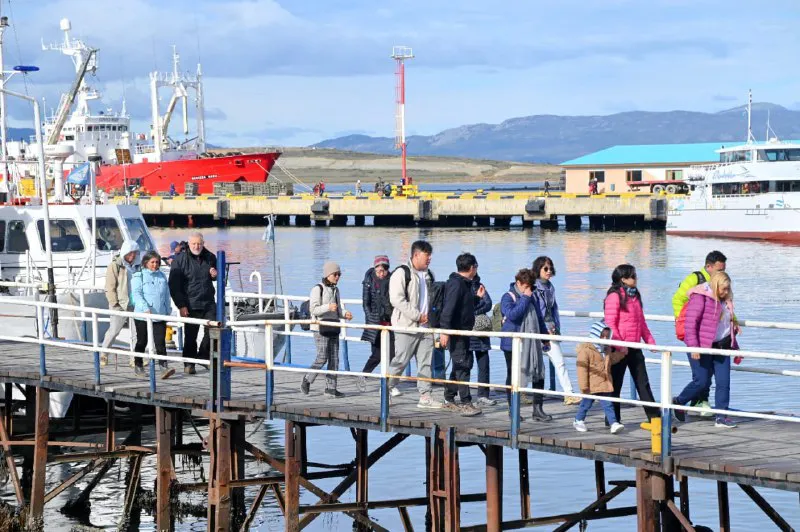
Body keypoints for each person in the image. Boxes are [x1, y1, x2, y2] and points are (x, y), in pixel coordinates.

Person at [673, 272, 739, 428]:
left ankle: (721, 417)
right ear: (715, 286)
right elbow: (690, 324)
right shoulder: (699, 298)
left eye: (727, 289)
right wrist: (694, 347)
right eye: (723, 289)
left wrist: (734, 327)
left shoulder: (726, 300)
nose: (725, 292)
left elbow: (725, 319)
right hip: (702, 345)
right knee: (702, 381)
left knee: (724, 382)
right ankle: (679, 401)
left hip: (722, 345)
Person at [671, 250, 728, 416]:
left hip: (713, 335)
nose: (722, 272)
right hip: (696, 332)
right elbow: (678, 299)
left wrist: (734, 321)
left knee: (708, 373)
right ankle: (690, 400)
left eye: (723, 269)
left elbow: (726, 305)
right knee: (702, 375)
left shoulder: (722, 283)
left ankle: (701, 401)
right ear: (708, 267)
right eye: (719, 270)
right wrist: (681, 320)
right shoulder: (695, 279)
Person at [387, 240, 442, 409]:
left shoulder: (429, 274)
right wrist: (417, 316)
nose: (430, 259)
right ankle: (387, 387)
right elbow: (396, 299)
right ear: (416, 255)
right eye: (427, 255)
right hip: (406, 325)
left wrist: (433, 321)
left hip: (426, 327)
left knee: (425, 363)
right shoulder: (402, 272)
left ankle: (425, 396)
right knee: (401, 360)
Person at [604, 264, 659, 424]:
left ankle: (655, 419)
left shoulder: (635, 296)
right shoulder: (614, 296)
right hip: (619, 349)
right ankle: (613, 420)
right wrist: (621, 346)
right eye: (633, 276)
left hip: (634, 348)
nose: (636, 278)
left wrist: (650, 342)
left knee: (643, 383)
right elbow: (611, 323)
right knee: (616, 385)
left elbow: (641, 323)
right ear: (623, 279)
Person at [500, 269, 551, 421]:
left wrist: (544, 337)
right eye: (526, 286)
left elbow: (539, 318)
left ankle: (538, 409)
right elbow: (514, 315)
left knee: (538, 373)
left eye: (531, 287)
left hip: (531, 343)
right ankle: (513, 409)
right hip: (513, 344)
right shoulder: (507, 297)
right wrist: (525, 298)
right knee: (513, 375)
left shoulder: (531, 297)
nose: (529, 290)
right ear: (518, 283)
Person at [531, 256, 580, 405]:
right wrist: (542, 329)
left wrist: (557, 327)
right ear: (538, 269)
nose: (549, 271)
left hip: (551, 328)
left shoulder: (550, 287)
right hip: (536, 329)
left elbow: (554, 309)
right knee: (530, 363)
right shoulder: (533, 287)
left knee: (559, 361)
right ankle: (519, 392)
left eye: (551, 268)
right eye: (545, 268)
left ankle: (568, 393)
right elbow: (534, 310)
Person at [301, 261, 353, 397]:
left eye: (339, 274)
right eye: (335, 274)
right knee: (322, 356)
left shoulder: (336, 290)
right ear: (328, 274)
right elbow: (314, 309)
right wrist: (328, 307)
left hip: (333, 326)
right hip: (319, 327)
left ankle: (331, 388)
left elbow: (338, 310)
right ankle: (307, 379)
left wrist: (345, 314)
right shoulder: (318, 289)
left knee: (334, 358)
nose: (337, 277)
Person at [440, 253, 483, 417]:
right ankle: (466, 402)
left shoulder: (464, 284)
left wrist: (476, 298)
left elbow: (464, 306)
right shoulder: (456, 284)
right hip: (455, 333)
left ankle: (449, 398)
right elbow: (448, 310)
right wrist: (445, 331)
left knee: (460, 365)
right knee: (463, 366)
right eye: (476, 267)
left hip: (463, 332)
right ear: (472, 267)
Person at [168, 232, 218, 374]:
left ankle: (203, 355)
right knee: (191, 335)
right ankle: (189, 363)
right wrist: (181, 305)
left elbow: (215, 276)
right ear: (188, 244)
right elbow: (174, 286)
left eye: (199, 243)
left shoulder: (210, 257)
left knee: (213, 330)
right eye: (194, 243)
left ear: (203, 243)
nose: (197, 246)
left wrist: (214, 274)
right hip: (190, 303)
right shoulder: (180, 260)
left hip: (208, 301)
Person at [574, 321, 626, 434]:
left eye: (607, 336)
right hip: (591, 384)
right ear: (595, 335)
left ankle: (613, 423)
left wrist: (622, 353)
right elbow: (581, 369)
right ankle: (578, 420)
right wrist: (583, 386)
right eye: (602, 336)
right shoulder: (586, 351)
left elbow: (612, 359)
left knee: (608, 404)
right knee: (586, 404)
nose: (605, 338)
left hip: (603, 383)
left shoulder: (606, 350)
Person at [131, 251, 174, 379]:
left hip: (159, 314)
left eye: (157, 262)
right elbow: (137, 293)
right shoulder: (139, 276)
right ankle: (138, 365)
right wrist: (145, 308)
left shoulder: (162, 276)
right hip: (143, 315)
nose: (155, 265)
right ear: (146, 263)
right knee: (142, 341)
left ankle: (163, 367)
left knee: (160, 342)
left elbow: (166, 294)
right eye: (152, 262)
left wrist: (168, 310)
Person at [357, 255, 394, 391]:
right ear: (374, 269)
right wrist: (370, 319)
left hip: (390, 322)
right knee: (377, 354)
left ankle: (388, 384)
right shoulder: (369, 280)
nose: (381, 273)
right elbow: (365, 303)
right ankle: (364, 375)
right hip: (375, 322)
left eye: (384, 270)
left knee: (392, 353)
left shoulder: (392, 279)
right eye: (379, 270)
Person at [101, 240, 140, 366]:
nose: (132, 256)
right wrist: (114, 303)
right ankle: (104, 353)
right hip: (120, 304)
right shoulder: (115, 265)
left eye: (135, 253)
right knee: (114, 331)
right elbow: (110, 286)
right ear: (125, 252)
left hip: (135, 304)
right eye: (130, 253)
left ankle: (134, 358)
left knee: (136, 333)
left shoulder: (138, 266)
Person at [469, 270, 494, 407]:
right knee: (465, 363)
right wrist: (479, 308)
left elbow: (489, 303)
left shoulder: (480, 285)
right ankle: (463, 393)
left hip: (481, 329)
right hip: (467, 330)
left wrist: (474, 313)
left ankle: (483, 394)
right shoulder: (461, 286)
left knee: (484, 363)